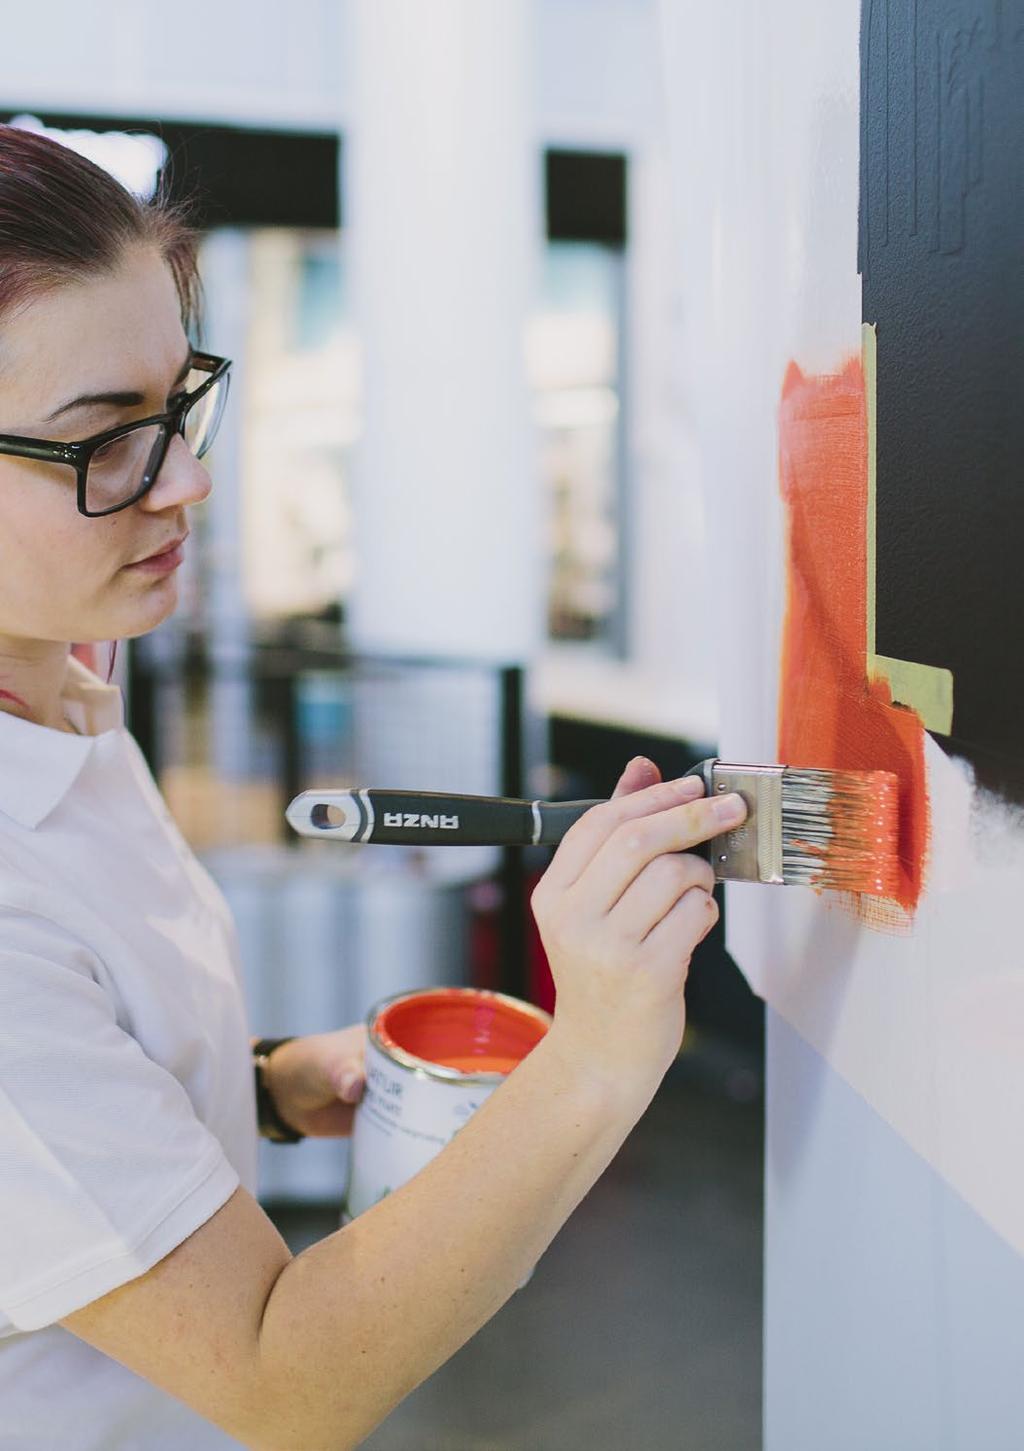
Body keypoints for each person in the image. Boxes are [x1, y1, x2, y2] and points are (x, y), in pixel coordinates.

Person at [0, 124, 748, 1451]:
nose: (189, 480)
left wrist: (272, 1082)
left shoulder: (61, 672)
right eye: (104, 442)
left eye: (180, 404)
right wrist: (599, 1053)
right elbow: (285, 1380)